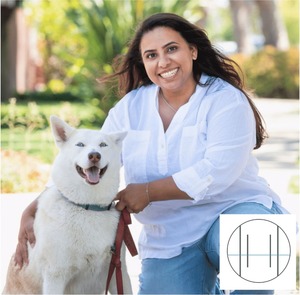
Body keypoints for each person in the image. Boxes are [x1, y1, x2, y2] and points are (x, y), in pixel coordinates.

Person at [15, 13, 288, 294]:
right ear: (143, 63)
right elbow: (91, 160)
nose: (163, 61)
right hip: (170, 235)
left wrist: (147, 192)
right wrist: (35, 207)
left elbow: (217, 171)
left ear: (192, 51)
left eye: (172, 49)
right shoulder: (130, 108)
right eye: (151, 55)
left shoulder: (225, 99)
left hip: (236, 212)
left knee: (257, 237)